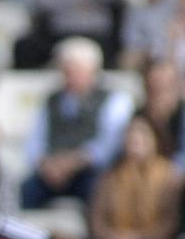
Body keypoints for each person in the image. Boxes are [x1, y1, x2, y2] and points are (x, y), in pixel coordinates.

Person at [73, 115, 181, 239]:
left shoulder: (170, 178)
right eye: (131, 137)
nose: (136, 142)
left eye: (142, 136)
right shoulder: (110, 177)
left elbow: (170, 222)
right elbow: (97, 219)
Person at [21, 37, 134, 209]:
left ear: (92, 70)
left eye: (75, 70)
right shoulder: (51, 100)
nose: (68, 75)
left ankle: (96, 235)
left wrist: (73, 163)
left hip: (90, 172)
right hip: (52, 171)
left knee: (98, 188)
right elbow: (35, 140)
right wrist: (46, 165)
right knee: (28, 188)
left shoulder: (114, 100)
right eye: (65, 69)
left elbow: (108, 145)